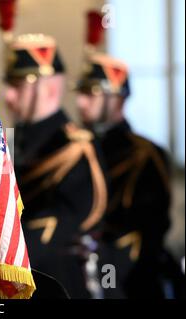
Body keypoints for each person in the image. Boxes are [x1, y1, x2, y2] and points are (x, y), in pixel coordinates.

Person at [3, 34, 108, 298]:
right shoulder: (13, 142)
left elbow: (64, 223)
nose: (7, 95)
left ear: (48, 88)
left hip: (56, 283)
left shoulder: (76, 149)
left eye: (18, 85)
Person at [76, 53, 185, 298]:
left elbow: (150, 228)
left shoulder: (145, 154)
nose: (81, 103)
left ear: (116, 99)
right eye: (81, 93)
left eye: (91, 93)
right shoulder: (76, 150)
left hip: (129, 275)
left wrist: (108, 270)